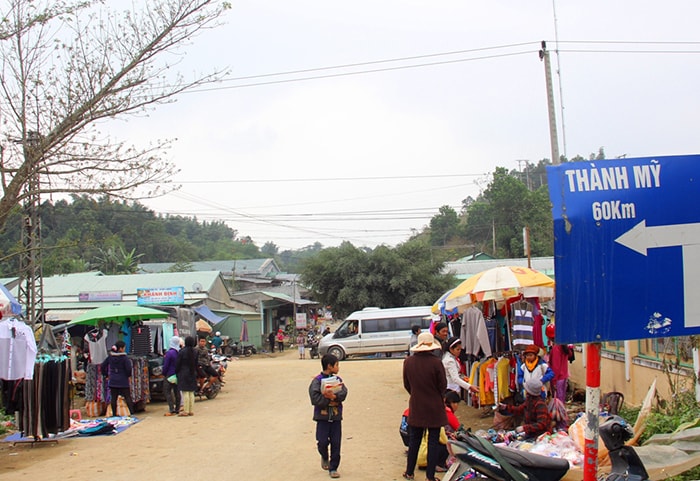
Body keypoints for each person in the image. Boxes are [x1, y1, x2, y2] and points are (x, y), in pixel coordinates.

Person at [402, 332, 447, 481]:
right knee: (432, 442)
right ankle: (430, 476)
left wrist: (416, 394)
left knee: (414, 440)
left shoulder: (408, 362)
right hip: (434, 407)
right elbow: (443, 386)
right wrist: (437, 396)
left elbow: (407, 385)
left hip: (417, 405)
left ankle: (409, 472)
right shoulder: (436, 363)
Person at [309, 353, 348, 479]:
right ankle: (324, 456)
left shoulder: (338, 380)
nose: (338, 367)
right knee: (322, 441)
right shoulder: (317, 381)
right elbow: (314, 398)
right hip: (323, 417)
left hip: (336, 417)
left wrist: (335, 397)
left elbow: (344, 392)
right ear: (329, 366)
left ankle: (334, 467)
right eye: (337, 365)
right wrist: (327, 399)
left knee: (336, 443)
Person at [101, 340, 134, 417]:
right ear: (121, 349)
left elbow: (103, 366)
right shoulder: (124, 358)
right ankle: (131, 413)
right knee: (127, 397)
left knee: (113, 398)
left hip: (113, 380)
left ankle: (114, 414)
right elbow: (128, 369)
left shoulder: (110, 357)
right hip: (123, 380)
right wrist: (128, 376)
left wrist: (106, 375)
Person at [176, 336, 197, 416]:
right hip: (192, 373)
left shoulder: (182, 351)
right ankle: (191, 410)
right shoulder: (195, 351)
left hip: (184, 373)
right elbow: (196, 363)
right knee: (191, 392)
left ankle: (186, 411)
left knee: (185, 393)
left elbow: (178, 363)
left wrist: (176, 372)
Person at [162, 336, 181, 416]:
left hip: (169, 375)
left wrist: (164, 373)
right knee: (177, 392)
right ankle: (177, 408)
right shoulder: (179, 352)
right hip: (177, 375)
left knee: (167, 391)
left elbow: (166, 365)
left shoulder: (169, 353)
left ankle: (171, 408)